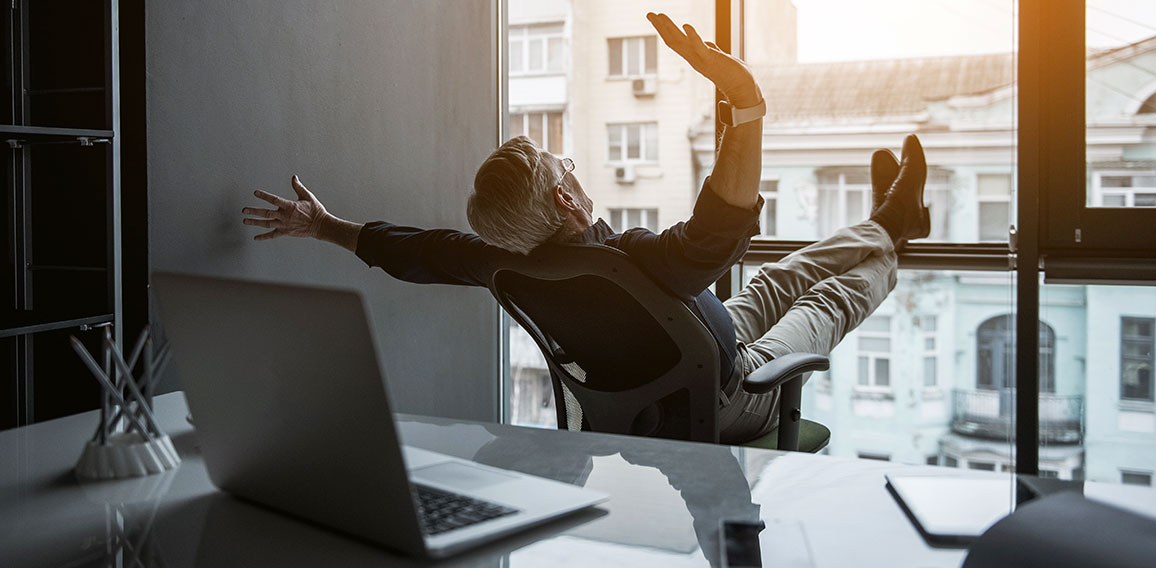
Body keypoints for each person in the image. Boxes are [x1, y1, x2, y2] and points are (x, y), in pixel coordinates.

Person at [241, 12, 929, 444]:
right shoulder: (633, 262)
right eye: (562, 168)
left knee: (783, 275)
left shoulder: (507, 264)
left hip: (700, 349)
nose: (573, 173)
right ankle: (893, 234)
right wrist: (746, 102)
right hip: (732, 394)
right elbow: (718, 229)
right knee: (829, 298)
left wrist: (326, 225)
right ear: (568, 203)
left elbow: (418, 252)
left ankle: (888, 218)